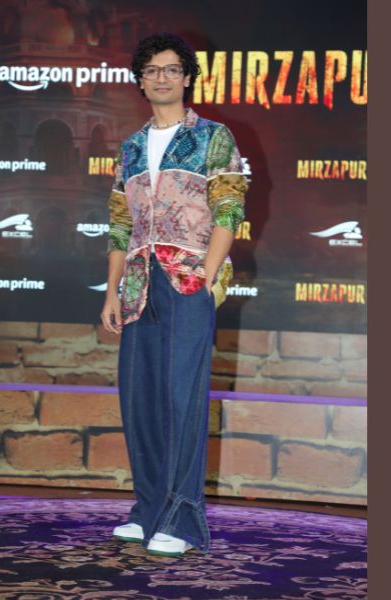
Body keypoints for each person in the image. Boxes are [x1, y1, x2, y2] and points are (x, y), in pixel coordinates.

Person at [100, 32, 249, 557]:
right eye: (151, 70)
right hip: (138, 286)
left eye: (170, 69)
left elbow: (230, 207)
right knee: (140, 398)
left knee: (183, 399)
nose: (161, 78)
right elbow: (120, 224)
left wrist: (207, 274)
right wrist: (112, 290)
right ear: (140, 81)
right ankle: (148, 511)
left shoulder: (213, 137)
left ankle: (182, 520)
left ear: (187, 77)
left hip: (187, 280)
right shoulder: (131, 147)